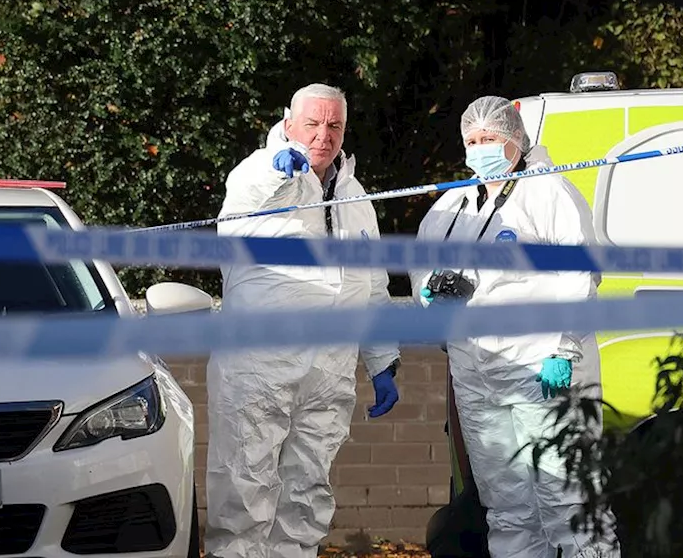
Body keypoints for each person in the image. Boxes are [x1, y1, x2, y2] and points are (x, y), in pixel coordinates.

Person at [410, 96, 620, 558]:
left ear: (516, 141)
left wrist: (563, 348)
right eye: (473, 140)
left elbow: (580, 271)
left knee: (570, 502)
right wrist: (428, 298)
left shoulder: (548, 193)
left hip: (541, 369)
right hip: (478, 377)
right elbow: (422, 274)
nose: (481, 147)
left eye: (491, 139)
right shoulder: (449, 209)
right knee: (507, 508)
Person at [205, 83, 402, 558]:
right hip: (259, 367)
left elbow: (373, 285)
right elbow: (243, 202)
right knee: (244, 490)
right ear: (289, 123)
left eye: (334, 125)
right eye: (312, 123)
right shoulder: (259, 175)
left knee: (307, 494)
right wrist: (277, 169)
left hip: (328, 372)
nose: (323, 135)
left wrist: (382, 361)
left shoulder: (354, 196)